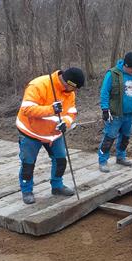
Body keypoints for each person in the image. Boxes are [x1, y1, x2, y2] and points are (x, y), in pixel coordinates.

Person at [16, 67, 85, 204]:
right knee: (28, 164)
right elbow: (26, 109)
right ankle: (27, 190)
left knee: (60, 160)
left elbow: (71, 112)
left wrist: (65, 122)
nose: (75, 92)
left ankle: (57, 186)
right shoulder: (38, 85)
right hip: (30, 131)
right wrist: (51, 109)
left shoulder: (69, 93)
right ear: (68, 83)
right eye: (74, 88)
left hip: (54, 134)